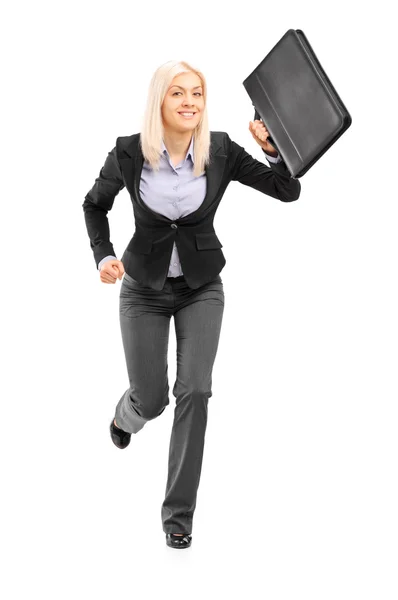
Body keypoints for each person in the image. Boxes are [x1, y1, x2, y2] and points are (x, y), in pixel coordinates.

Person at [82, 60, 301, 549]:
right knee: (153, 399)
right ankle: (125, 416)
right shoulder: (127, 152)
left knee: (195, 390)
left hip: (202, 287)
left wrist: (272, 149)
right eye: (178, 93)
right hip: (143, 289)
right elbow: (93, 204)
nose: (189, 102)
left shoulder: (220, 150)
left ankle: (177, 517)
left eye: (197, 93)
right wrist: (104, 255)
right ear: (159, 101)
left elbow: (287, 190)